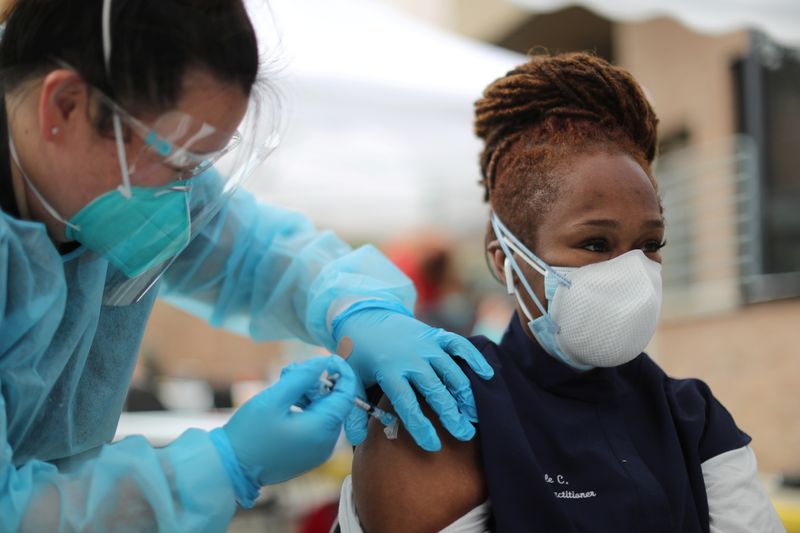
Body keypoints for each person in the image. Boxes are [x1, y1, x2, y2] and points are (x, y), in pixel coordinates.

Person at [0, 0, 494, 530]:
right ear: (67, 105)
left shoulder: (110, 183)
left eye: (200, 167)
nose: (184, 195)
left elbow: (259, 256)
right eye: (177, 164)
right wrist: (223, 465)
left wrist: (359, 308)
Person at [336, 53, 786, 532]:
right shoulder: (445, 409)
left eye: (650, 245)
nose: (631, 271)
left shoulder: (691, 417)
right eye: (595, 243)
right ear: (503, 257)